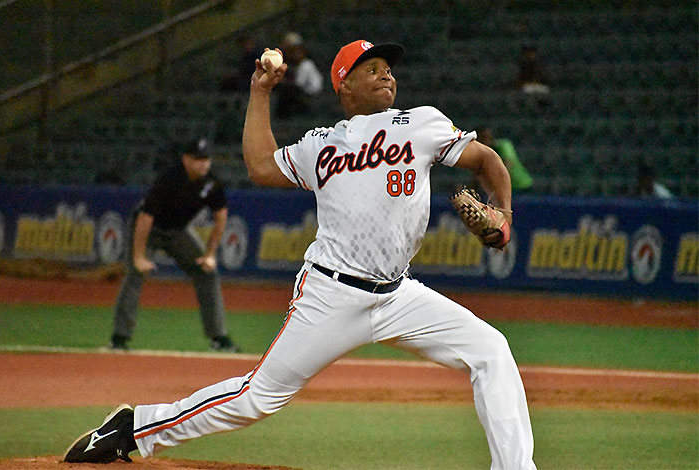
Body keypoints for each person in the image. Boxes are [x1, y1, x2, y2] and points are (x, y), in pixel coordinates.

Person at [64, 40, 536, 469]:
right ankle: (135, 429)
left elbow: (486, 159)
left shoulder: (422, 122)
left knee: (491, 350)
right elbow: (260, 166)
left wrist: (504, 213)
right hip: (331, 294)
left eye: (388, 68)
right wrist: (260, 91)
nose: (386, 75)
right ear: (344, 85)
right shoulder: (322, 144)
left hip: (398, 295)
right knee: (256, 398)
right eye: (372, 69)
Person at [109, 137, 239, 352]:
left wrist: (209, 254)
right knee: (135, 273)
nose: (204, 164)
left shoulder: (211, 183)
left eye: (206, 159)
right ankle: (119, 338)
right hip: (149, 228)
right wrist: (139, 257)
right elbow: (145, 218)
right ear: (186, 159)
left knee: (206, 272)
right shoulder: (169, 179)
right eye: (198, 159)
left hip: (178, 231)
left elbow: (221, 217)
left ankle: (219, 337)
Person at [274, 32, 323, 117]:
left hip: (312, 95)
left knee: (288, 93)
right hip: (304, 93)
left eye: (298, 53)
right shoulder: (297, 65)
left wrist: (283, 82)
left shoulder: (306, 64)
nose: (295, 55)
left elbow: (299, 84)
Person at [477, 126, 534, 193]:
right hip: (507, 189)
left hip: (521, 186)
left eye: (485, 137)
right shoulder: (482, 154)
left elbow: (508, 163)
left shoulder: (503, 145)